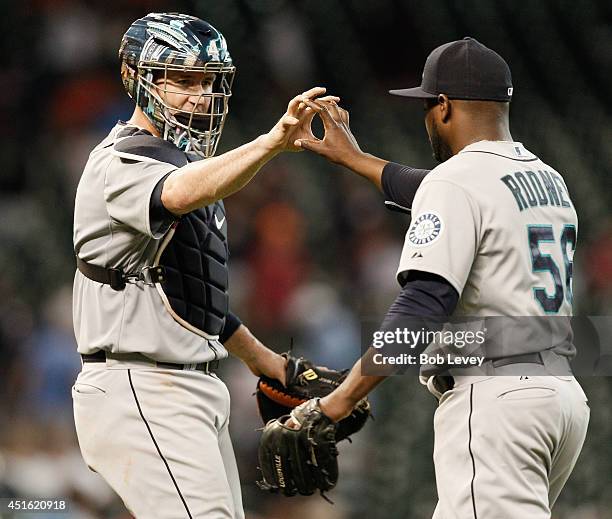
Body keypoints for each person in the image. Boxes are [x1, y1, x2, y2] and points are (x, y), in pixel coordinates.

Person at [294, 37, 590, 518]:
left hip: (498, 399)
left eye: (427, 106)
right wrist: (354, 158)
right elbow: (439, 191)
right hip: (559, 397)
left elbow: (421, 309)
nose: (427, 117)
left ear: (445, 107)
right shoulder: (546, 176)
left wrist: (336, 402)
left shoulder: (456, 180)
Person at [71, 12, 335, 519]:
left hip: (185, 387)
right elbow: (177, 193)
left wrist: (270, 364)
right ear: (136, 79)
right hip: (141, 386)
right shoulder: (120, 161)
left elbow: (194, 297)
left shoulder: (186, 164)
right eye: (182, 79)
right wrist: (273, 141)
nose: (199, 94)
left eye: (208, 81)